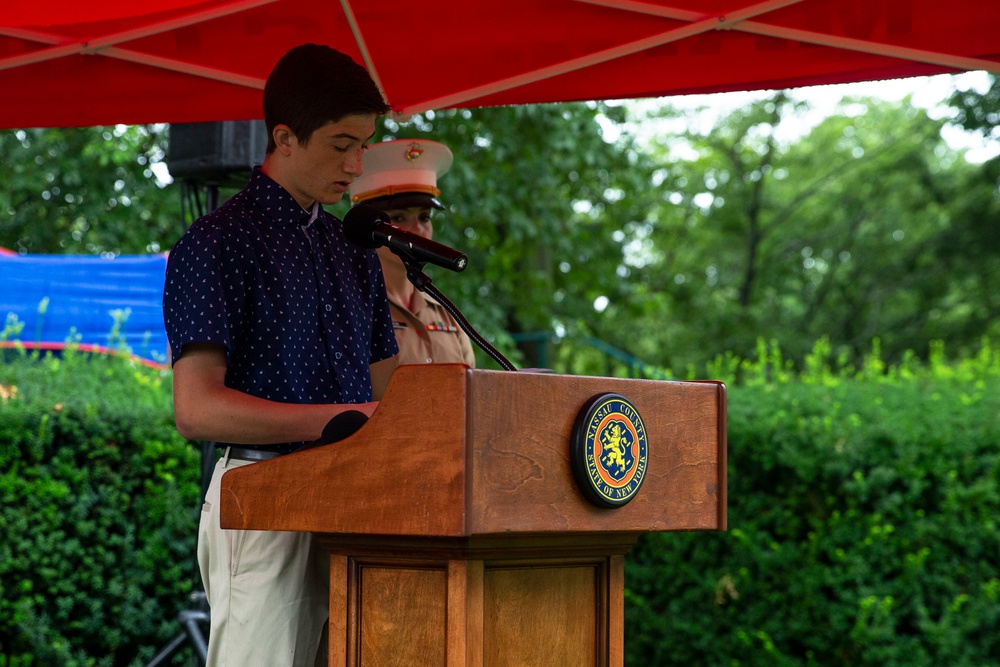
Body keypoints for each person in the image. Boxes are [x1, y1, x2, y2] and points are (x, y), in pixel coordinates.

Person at [162, 43, 398, 667]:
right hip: (262, 498)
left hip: (359, 504)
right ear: (284, 137)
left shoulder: (354, 249)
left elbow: (389, 397)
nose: (358, 162)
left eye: (366, 143)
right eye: (342, 143)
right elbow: (197, 409)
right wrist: (337, 418)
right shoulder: (216, 241)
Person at [347, 139, 475, 367]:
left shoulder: (446, 314)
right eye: (398, 218)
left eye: (425, 217)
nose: (417, 229)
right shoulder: (352, 309)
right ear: (367, 227)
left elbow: (470, 394)